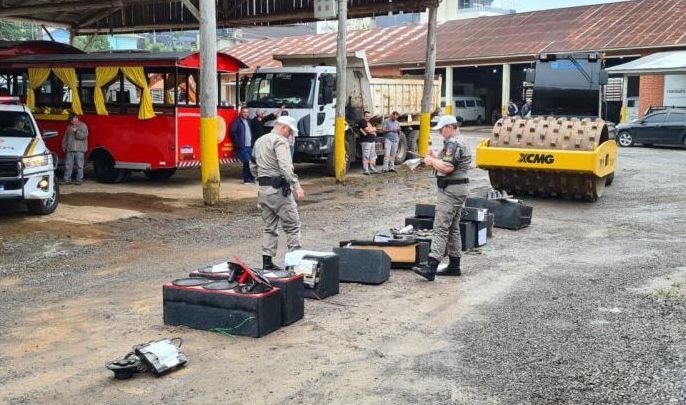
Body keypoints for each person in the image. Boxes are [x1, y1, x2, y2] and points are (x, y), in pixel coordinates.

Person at [413, 115, 471, 281]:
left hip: (451, 190)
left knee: (440, 227)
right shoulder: (462, 140)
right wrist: (435, 158)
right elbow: (448, 162)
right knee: (453, 228)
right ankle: (454, 265)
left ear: (449, 127)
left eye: (441, 129)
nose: (440, 133)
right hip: (459, 188)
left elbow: (447, 167)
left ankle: (431, 267)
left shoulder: (454, 143)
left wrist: (431, 161)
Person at [250, 116, 305, 271]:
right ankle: (294, 263)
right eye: (290, 132)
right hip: (279, 191)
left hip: (264, 192)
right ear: (284, 128)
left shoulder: (259, 141)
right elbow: (286, 167)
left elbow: (252, 164)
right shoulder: (281, 142)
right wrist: (296, 186)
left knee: (269, 227)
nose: (290, 135)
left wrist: (260, 180)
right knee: (293, 226)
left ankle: (267, 263)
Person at [230, 106, 256, 184]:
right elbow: (232, 131)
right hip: (242, 147)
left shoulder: (248, 121)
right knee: (247, 161)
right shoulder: (237, 121)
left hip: (249, 146)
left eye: (247, 112)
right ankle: (247, 179)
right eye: (244, 112)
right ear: (240, 112)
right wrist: (238, 141)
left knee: (251, 162)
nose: (245, 114)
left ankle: (251, 179)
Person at [62, 112, 88, 185]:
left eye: (72, 119)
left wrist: (76, 131)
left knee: (79, 165)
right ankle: (67, 180)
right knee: (68, 165)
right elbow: (65, 137)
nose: (71, 121)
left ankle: (79, 180)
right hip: (70, 149)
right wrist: (64, 146)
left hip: (80, 149)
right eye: (70, 120)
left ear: (76, 118)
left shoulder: (83, 126)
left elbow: (84, 136)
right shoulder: (69, 127)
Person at [356, 110, 378, 175]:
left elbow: (374, 131)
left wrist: (372, 130)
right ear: (363, 116)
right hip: (366, 141)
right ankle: (366, 170)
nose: (368, 117)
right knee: (366, 156)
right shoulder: (362, 122)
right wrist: (373, 129)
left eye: (369, 116)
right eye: (366, 116)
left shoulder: (368, 122)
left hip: (371, 141)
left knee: (372, 156)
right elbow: (368, 130)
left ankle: (372, 169)